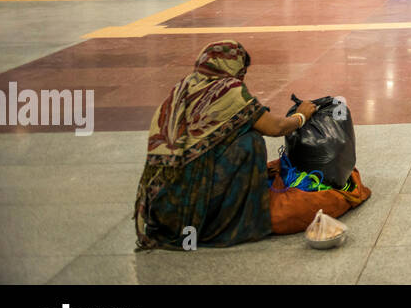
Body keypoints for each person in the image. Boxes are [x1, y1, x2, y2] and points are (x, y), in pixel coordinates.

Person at [134, 39, 317, 250]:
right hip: (191, 207)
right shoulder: (228, 90)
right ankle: (231, 222)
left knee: (240, 130)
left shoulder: (182, 88)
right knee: (252, 142)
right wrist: (301, 116)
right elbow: (274, 128)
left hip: (161, 209)